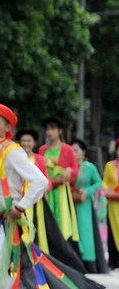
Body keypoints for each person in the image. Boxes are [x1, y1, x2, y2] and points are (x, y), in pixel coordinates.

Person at [0, 104, 103, 289]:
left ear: (6, 127)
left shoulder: (12, 151)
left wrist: (20, 206)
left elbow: (40, 181)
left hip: (10, 223)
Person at [15, 128, 85, 274]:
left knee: (40, 230)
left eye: (29, 141)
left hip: (37, 202)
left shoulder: (40, 159)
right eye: (23, 141)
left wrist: (49, 185)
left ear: (33, 143)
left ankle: (39, 262)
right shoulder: (15, 157)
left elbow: (46, 179)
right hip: (18, 201)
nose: (26, 143)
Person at [39, 117, 80, 249]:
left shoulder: (67, 149)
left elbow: (75, 169)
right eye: (47, 129)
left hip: (61, 192)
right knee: (45, 222)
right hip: (45, 191)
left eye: (52, 129)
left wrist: (69, 170)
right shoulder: (42, 150)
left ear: (60, 131)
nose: (49, 132)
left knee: (61, 223)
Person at [71, 139, 108, 273]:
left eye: (76, 150)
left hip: (84, 204)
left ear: (83, 152)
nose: (74, 153)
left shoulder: (89, 167)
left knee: (85, 232)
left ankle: (88, 264)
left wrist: (87, 191)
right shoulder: (67, 167)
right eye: (72, 150)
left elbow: (98, 183)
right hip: (69, 202)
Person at [102, 140, 119, 269]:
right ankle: (113, 261)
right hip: (113, 204)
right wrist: (106, 189)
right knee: (113, 231)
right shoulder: (110, 166)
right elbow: (105, 182)